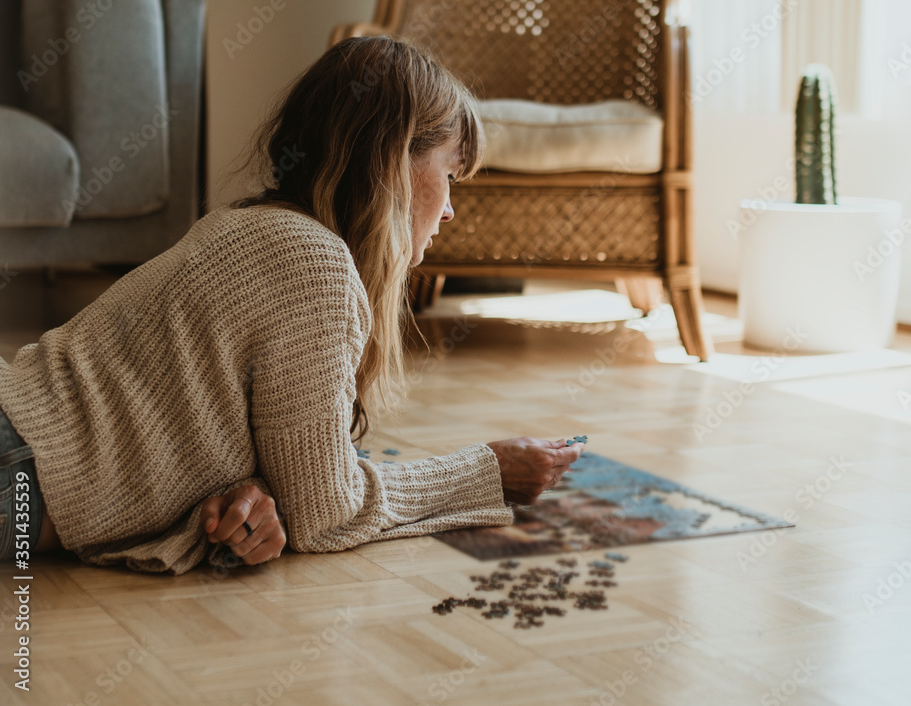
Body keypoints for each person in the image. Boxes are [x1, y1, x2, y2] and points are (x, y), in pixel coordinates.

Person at [0, 35, 585, 574]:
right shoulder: (314, 265)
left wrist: (258, 492)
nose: (451, 210)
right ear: (395, 162)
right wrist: (487, 470)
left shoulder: (259, 227)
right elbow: (325, 512)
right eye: (449, 174)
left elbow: (272, 466)